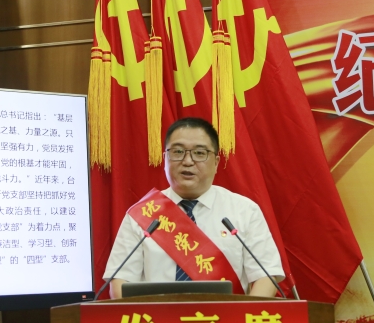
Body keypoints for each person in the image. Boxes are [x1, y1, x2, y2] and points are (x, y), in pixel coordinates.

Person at [103, 117, 284, 299]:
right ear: (165, 159)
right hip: (157, 316)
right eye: (178, 152)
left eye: (199, 153)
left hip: (226, 317)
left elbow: (266, 277)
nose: (188, 161)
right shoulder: (143, 214)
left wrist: (244, 315)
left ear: (216, 162)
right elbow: (120, 282)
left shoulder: (244, 211)